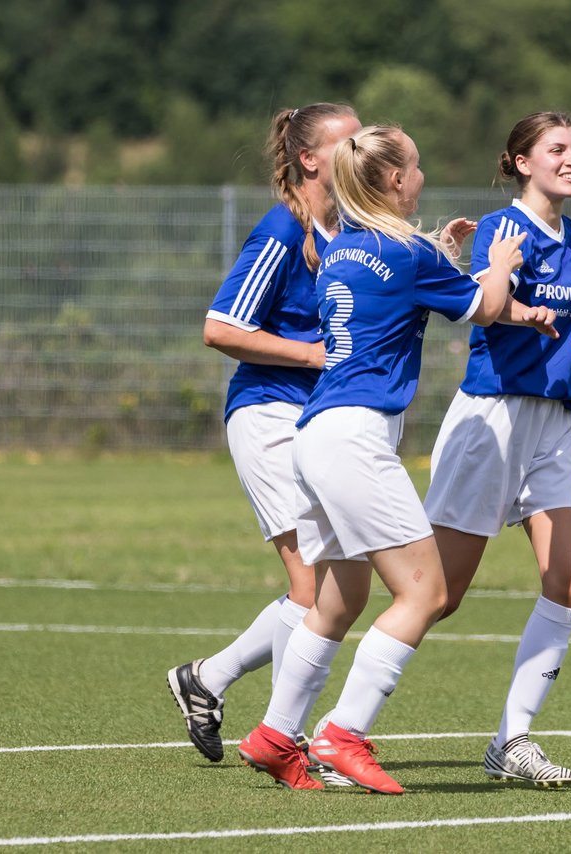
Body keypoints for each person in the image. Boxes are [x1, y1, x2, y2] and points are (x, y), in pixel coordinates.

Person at [236, 124, 556, 794]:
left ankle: (274, 735)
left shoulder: (343, 248)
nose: (422, 178)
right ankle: (344, 731)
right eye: (416, 167)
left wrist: (444, 254)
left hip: (313, 433)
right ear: (393, 181)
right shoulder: (408, 250)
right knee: (426, 592)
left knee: (339, 596)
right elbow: (488, 307)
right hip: (355, 438)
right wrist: (495, 262)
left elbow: (393, 293)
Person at [424, 111, 571, 787]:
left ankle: (512, 742)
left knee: (570, 581)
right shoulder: (502, 232)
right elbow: (484, 308)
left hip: (552, 423)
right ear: (520, 162)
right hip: (493, 419)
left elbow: (560, 334)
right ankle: (326, 722)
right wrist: (510, 302)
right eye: (557, 149)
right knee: (434, 595)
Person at [167, 103, 361, 764]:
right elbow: (220, 328)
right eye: (348, 141)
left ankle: (209, 679)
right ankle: (287, 735)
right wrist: (312, 356)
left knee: (333, 584)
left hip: (318, 422)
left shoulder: (349, 233)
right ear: (309, 159)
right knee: (313, 587)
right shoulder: (283, 229)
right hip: (269, 414)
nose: (363, 149)